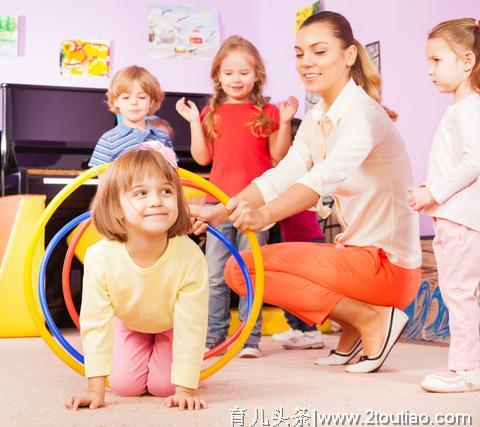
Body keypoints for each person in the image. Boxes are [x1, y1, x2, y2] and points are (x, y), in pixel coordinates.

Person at [190, 11, 421, 374]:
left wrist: (264, 215)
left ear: (348, 56)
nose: (306, 62)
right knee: (241, 269)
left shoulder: (362, 114)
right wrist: (220, 211)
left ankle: (372, 318)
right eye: (299, 53)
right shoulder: (318, 117)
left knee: (241, 270)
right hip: (358, 258)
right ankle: (353, 329)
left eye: (319, 52)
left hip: (387, 267)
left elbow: (321, 179)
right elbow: (283, 173)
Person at [175, 35, 295, 358]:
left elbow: (278, 155)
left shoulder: (266, 110)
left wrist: (284, 123)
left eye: (243, 72)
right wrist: (193, 123)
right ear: (218, 76)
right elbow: (202, 158)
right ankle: (214, 336)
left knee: (250, 270)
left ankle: (249, 338)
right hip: (216, 204)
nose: (236, 79)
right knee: (214, 273)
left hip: (255, 206)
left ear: (257, 75)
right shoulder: (211, 112)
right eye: (228, 73)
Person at [65, 149, 209, 410]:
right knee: (124, 386)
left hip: (171, 324)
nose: (157, 201)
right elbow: (95, 322)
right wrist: (95, 391)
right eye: (141, 193)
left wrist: (185, 389)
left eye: (166, 191)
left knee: (164, 387)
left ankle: (167, 357)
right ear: (117, 209)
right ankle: (142, 348)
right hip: (130, 321)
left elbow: (192, 324)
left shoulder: (190, 256)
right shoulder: (100, 256)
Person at [408, 18, 480, 393]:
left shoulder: (467, 108)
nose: (430, 70)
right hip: (458, 218)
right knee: (463, 293)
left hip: (459, 221)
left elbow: (474, 161)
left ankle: (467, 369)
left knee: (458, 293)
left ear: (467, 61)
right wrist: (430, 189)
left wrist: (432, 193)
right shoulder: (464, 108)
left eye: (437, 60)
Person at [273, 118, 326, 351]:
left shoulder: (301, 173)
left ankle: (311, 332)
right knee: (287, 288)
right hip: (295, 239)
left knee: (301, 289)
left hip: (307, 240)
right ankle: (297, 329)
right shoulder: (290, 172)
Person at [88, 65, 174, 167]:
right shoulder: (108, 140)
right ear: (116, 101)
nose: (134, 102)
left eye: (142, 97)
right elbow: (103, 180)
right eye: (126, 97)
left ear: (151, 102)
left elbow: (172, 173)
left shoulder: (162, 137)